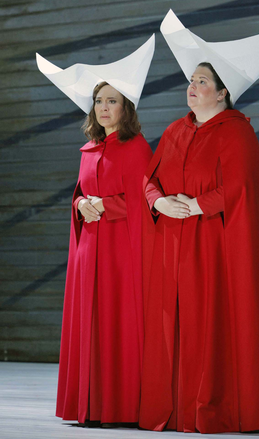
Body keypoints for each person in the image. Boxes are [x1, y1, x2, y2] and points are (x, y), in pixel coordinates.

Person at [139, 11, 259, 434]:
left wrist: (194, 205)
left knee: (210, 327)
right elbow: (149, 181)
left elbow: (242, 190)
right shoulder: (174, 131)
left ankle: (213, 407)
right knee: (175, 328)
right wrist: (158, 203)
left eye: (202, 82)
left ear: (224, 92)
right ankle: (174, 407)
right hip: (173, 247)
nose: (191, 88)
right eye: (191, 80)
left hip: (213, 249)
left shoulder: (237, 132)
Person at [36, 36, 154, 426]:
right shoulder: (88, 149)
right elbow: (81, 193)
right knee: (89, 323)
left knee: (119, 323)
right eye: (99, 101)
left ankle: (120, 406)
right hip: (90, 249)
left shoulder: (137, 148)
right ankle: (88, 404)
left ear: (126, 108)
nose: (104, 108)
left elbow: (144, 201)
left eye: (112, 101)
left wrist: (105, 204)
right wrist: (81, 205)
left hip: (122, 252)